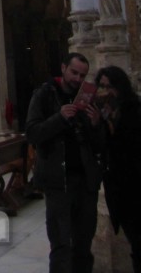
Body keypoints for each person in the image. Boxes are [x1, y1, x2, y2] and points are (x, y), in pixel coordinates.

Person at [26, 52, 103, 273]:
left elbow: (97, 145)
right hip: (59, 182)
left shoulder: (87, 97)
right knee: (61, 245)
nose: (78, 79)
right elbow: (32, 133)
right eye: (74, 72)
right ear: (63, 68)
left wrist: (96, 125)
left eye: (82, 75)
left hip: (85, 181)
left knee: (83, 244)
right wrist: (58, 118)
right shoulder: (44, 94)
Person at [94, 65, 141, 273]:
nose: (106, 91)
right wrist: (100, 126)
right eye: (102, 86)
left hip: (136, 186)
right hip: (119, 190)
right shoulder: (104, 116)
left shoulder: (134, 110)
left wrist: (112, 127)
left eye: (110, 86)